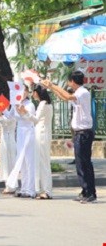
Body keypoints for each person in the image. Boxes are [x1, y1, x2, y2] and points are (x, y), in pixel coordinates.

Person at [42, 71, 97, 203]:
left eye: (68, 81)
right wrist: (51, 88)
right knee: (80, 164)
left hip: (84, 133)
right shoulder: (78, 93)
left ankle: (90, 192)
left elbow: (67, 97)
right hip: (79, 133)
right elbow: (63, 97)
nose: (68, 83)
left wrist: (52, 85)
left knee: (85, 164)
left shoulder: (82, 92)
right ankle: (85, 190)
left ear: (73, 81)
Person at [24, 84, 53, 199]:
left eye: (33, 91)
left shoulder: (43, 104)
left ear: (38, 92)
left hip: (41, 134)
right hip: (42, 133)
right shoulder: (47, 104)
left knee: (43, 162)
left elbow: (35, 119)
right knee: (41, 162)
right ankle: (42, 188)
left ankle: (46, 190)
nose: (32, 94)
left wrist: (25, 113)